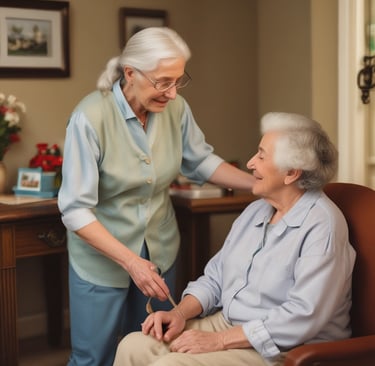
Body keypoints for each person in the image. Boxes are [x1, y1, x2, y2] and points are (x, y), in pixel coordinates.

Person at [57, 27, 254, 366]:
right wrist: (131, 262)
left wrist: (258, 184)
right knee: (94, 357)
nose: (173, 93)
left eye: (178, 81)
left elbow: (201, 160)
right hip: (103, 257)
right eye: (163, 82)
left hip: (161, 248)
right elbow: (75, 210)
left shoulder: (176, 110)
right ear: (130, 73)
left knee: (155, 348)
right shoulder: (89, 118)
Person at [113, 112, 356, 366]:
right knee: (133, 346)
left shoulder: (323, 225)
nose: (251, 163)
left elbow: (302, 316)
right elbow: (216, 277)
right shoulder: (257, 210)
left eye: (261, 156)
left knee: (170, 365)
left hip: (283, 346)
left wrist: (217, 342)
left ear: (292, 172)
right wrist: (179, 314)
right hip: (230, 324)